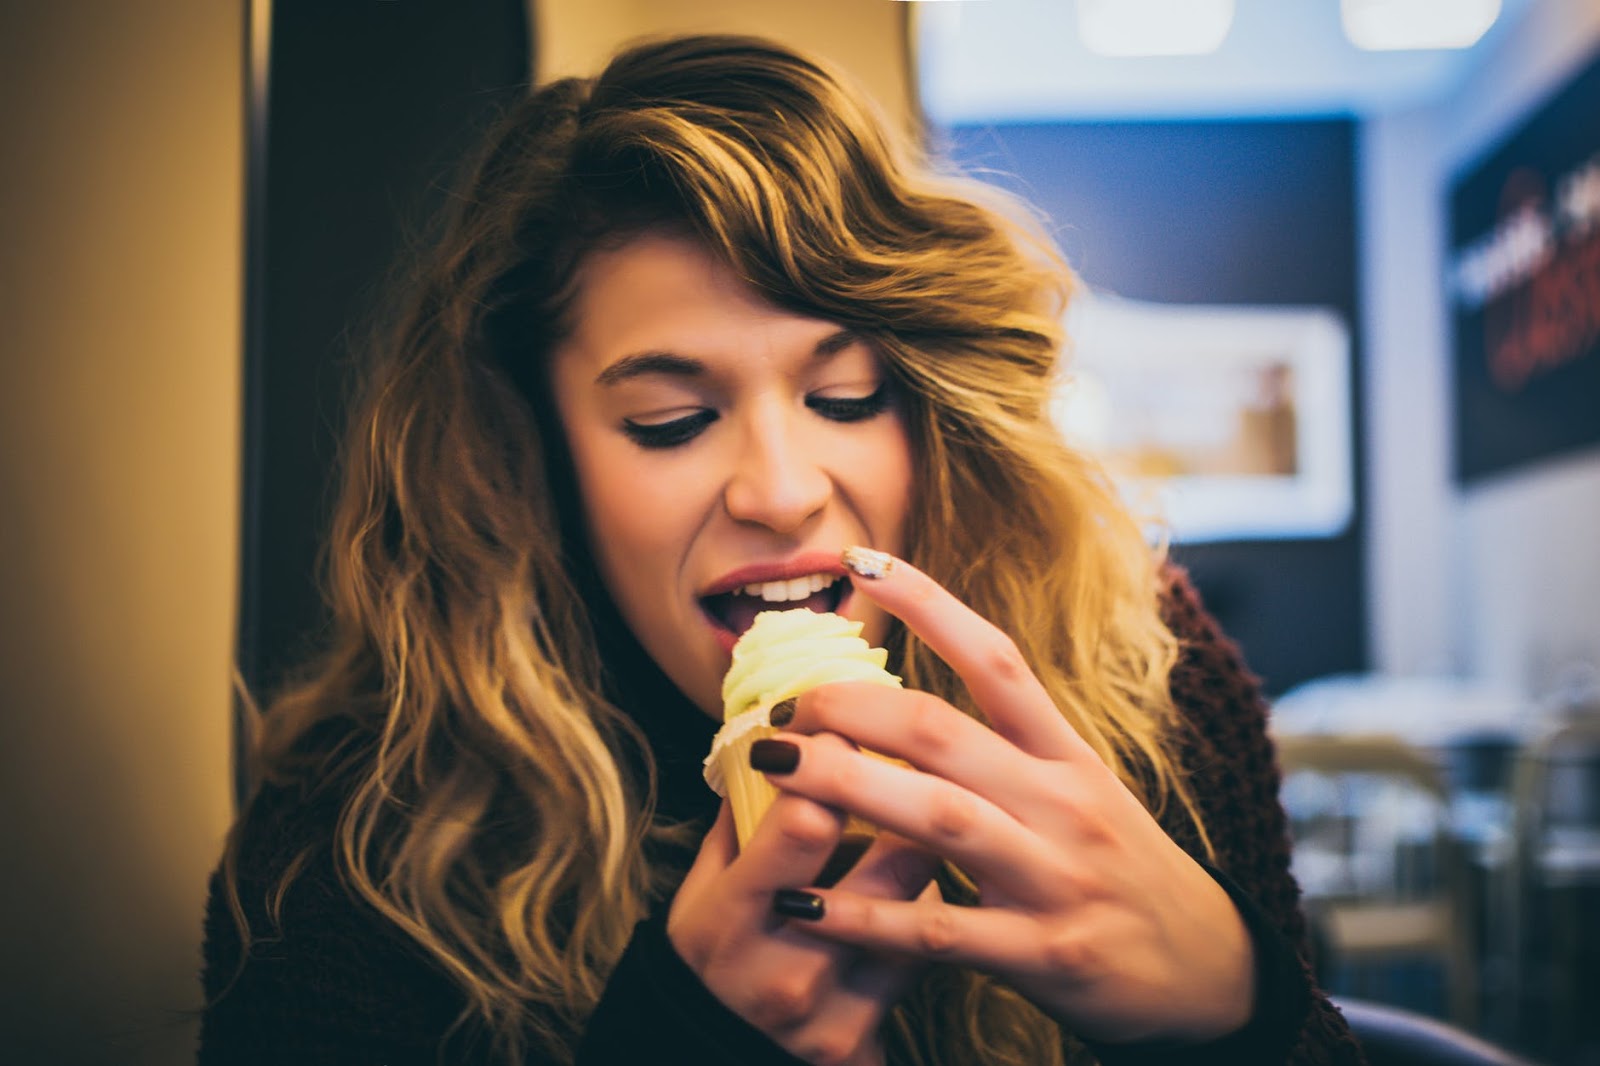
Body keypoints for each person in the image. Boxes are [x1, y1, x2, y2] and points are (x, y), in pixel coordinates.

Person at [199, 33, 1367, 1066]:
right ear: (537, 456)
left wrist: (1238, 1013)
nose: (780, 490)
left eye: (847, 398)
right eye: (670, 420)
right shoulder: (359, 838)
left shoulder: (1149, 687)